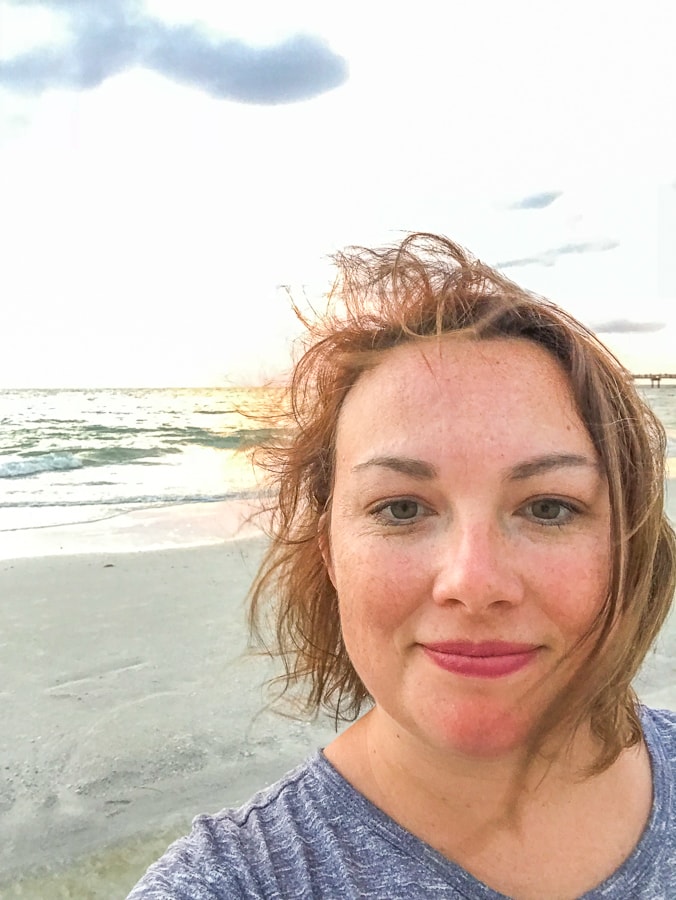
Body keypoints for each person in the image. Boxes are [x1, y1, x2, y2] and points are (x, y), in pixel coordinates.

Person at [127, 233, 676, 899]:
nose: (474, 583)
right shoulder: (238, 882)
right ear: (328, 550)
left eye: (549, 508)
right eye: (402, 509)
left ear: (629, 542)